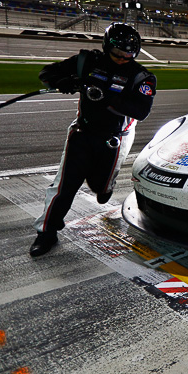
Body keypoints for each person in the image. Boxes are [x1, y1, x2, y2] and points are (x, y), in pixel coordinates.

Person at [30, 23, 156, 257]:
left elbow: (141, 111)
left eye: (128, 55)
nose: (122, 59)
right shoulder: (87, 61)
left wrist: (106, 96)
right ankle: (46, 233)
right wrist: (64, 82)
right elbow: (47, 73)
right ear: (107, 46)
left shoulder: (142, 76)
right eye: (117, 54)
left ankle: (105, 185)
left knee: (100, 186)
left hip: (116, 140)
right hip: (82, 133)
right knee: (63, 187)